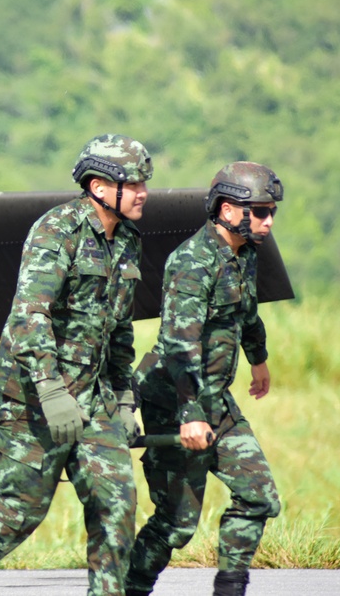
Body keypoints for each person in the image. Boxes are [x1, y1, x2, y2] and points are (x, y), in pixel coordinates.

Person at [0, 133, 153, 596]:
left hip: (93, 397)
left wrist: (124, 395)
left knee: (116, 506)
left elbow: (119, 327)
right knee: (20, 511)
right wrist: (49, 389)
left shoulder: (127, 241)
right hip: (31, 394)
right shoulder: (56, 231)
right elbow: (29, 316)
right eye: (134, 182)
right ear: (100, 187)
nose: (145, 191)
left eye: (146, 182)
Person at [124, 162, 284, 596]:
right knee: (176, 526)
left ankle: (229, 590)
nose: (269, 221)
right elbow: (179, 343)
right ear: (228, 210)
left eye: (272, 212)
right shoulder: (192, 262)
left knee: (258, 496)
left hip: (215, 398)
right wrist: (190, 415)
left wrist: (258, 358)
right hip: (174, 400)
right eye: (261, 211)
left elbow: (246, 311)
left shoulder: (245, 252)